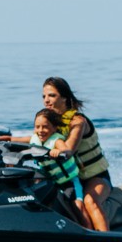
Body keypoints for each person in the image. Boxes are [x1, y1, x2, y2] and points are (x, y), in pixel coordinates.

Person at [41, 75, 111, 232]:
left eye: (52, 95)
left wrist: (59, 150)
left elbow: (69, 149)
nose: (46, 100)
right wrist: (4, 141)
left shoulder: (78, 121)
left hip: (96, 178)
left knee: (90, 201)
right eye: (44, 96)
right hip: (71, 179)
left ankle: (106, 241)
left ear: (65, 97)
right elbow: (32, 139)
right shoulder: (51, 124)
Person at [30, 107, 85, 222]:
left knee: (78, 207)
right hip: (52, 183)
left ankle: (91, 233)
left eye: (45, 127)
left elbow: (67, 150)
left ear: (54, 128)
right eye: (37, 127)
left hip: (69, 182)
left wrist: (59, 151)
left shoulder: (57, 141)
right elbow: (13, 139)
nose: (40, 130)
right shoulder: (35, 140)